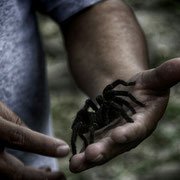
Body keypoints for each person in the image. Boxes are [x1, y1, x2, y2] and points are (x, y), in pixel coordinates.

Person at [0, 0, 179, 179]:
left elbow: (90, 6)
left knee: (107, 95)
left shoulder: (109, 104)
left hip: (37, 165)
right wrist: (81, 145)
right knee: (80, 121)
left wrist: (130, 84)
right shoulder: (91, 121)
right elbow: (80, 124)